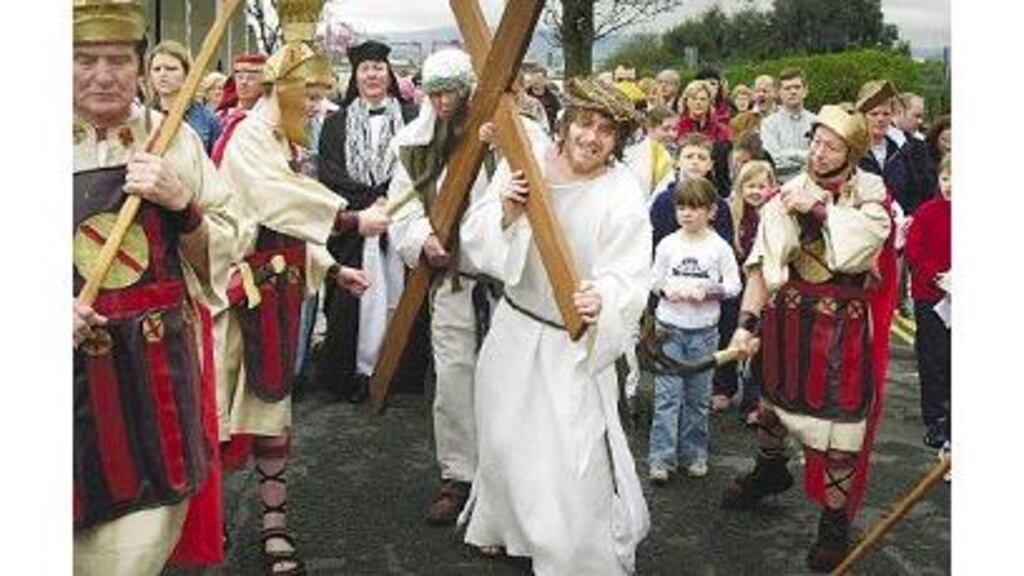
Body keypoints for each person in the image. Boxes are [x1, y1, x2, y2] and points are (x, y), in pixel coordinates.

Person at [458, 76, 651, 576]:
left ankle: (569, 550)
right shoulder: (527, 161)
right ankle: (503, 526)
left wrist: (602, 297)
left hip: (571, 342)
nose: (592, 137)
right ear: (566, 123)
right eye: (585, 123)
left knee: (569, 451)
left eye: (606, 131)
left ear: (619, 141)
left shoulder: (622, 194)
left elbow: (630, 273)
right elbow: (476, 237)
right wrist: (506, 213)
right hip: (515, 326)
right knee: (505, 437)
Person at [72, 0, 238, 572]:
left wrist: (182, 204)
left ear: (140, 66)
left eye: (119, 59)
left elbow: (228, 241)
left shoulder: (174, 140)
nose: (103, 74)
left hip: (153, 382)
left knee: (137, 549)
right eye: (85, 59)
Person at [214, 39, 370, 575]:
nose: (317, 106)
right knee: (219, 414)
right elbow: (273, 201)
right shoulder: (248, 137)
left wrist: (333, 268)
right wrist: (350, 220)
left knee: (272, 412)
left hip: (278, 293)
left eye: (321, 94)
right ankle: (209, 519)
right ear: (284, 90)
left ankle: (274, 524)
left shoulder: (282, 137)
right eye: (311, 94)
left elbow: (289, 228)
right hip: (237, 296)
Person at [721, 104, 897, 572]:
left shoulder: (872, 195)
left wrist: (816, 209)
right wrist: (745, 325)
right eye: (816, 142)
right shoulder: (787, 192)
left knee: (840, 432)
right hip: (789, 320)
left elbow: (859, 248)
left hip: (844, 328)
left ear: (851, 155)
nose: (819, 153)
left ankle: (833, 524)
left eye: (831, 147)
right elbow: (762, 265)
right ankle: (770, 470)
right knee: (772, 406)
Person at [387, 47, 495, 525]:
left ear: (468, 90)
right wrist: (422, 238)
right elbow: (402, 208)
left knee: (508, 382)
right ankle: (458, 476)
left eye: (450, 92)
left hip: (503, 285)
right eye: (434, 94)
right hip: (452, 281)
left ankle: (505, 480)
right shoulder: (413, 143)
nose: (443, 102)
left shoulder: (501, 132)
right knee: (453, 380)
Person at [315, 39, 423, 403]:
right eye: (365, 69)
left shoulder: (412, 117)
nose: (372, 75)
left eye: (378, 67)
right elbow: (329, 173)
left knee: (398, 295)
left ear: (388, 74)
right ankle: (356, 373)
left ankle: (397, 371)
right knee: (357, 300)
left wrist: (392, 200)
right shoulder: (335, 123)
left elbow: (420, 166)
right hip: (356, 226)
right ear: (355, 76)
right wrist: (368, 204)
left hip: (400, 217)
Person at [648, 176, 741, 483]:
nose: (686, 214)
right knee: (667, 396)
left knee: (698, 398)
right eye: (681, 208)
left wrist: (709, 291)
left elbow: (734, 285)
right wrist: (666, 290)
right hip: (669, 328)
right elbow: (653, 279)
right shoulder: (668, 244)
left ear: (711, 211)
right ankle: (661, 458)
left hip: (704, 332)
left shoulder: (719, 247)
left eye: (695, 207)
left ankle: (695, 454)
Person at [905, 154, 951, 450]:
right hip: (931, 296)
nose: (950, 185)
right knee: (933, 359)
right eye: (946, 178)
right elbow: (915, 250)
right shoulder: (927, 212)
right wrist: (937, 275)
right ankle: (936, 418)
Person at [727, 160, 778, 425]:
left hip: (766, 289)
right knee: (739, 340)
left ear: (772, 187)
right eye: (750, 186)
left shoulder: (775, 215)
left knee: (760, 346)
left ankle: (755, 403)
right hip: (739, 288)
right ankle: (733, 392)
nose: (756, 191)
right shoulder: (736, 216)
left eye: (762, 186)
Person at [857, 80, 935, 217]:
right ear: (862, 115)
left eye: (886, 114)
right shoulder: (852, 150)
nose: (880, 119)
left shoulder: (911, 148)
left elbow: (926, 192)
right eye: (874, 114)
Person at [145, 40, 223, 154]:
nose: (162, 74)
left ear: (186, 73)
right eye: (157, 69)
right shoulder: (142, 117)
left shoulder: (207, 120)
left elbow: (216, 160)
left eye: (171, 69)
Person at [674, 80, 732, 194]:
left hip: (717, 184)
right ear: (686, 101)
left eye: (702, 99)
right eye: (694, 99)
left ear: (710, 102)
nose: (698, 103)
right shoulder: (676, 128)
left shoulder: (722, 130)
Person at [760, 68, 816, 184]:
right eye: (787, 88)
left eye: (797, 87)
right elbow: (774, 160)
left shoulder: (816, 121)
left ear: (805, 91)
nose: (793, 91)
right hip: (781, 185)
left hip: (812, 183)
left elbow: (819, 157)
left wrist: (787, 154)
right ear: (779, 93)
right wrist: (805, 156)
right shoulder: (768, 124)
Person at [623, 104, 676, 201]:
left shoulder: (667, 154)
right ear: (650, 128)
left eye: (674, 129)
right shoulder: (633, 152)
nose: (672, 134)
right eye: (665, 129)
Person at [215, 53, 266, 126]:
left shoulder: (269, 117)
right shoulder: (221, 117)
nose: (244, 82)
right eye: (240, 77)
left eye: (251, 78)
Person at [525, 65, 562, 134]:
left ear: (545, 80)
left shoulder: (552, 98)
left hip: (547, 133)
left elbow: (559, 117)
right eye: (533, 78)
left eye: (539, 78)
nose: (536, 81)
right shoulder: (525, 96)